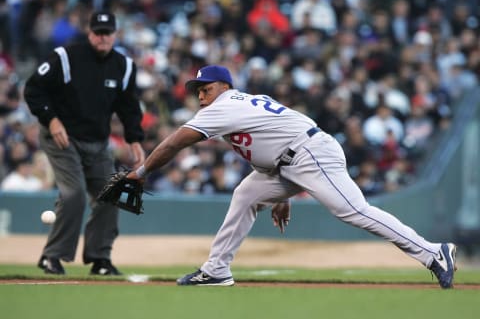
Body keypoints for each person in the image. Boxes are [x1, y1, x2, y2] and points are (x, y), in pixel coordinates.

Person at [126, 65, 456, 288]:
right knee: (246, 195)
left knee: (352, 210)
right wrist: (281, 193)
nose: (200, 95)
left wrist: (141, 171)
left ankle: (432, 252)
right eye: (197, 90)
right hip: (292, 160)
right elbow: (268, 140)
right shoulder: (245, 103)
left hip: (310, 153)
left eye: (206, 88)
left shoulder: (223, 106)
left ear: (225, 87)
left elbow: (174, 142)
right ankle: (215, 270)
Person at [23, 11, 145, 275]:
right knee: (73, 193)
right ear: (90, 33)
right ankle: (51, 257)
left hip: (97, 142)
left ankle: (100, 259)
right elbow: (33, 89)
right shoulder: (66, 58)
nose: (102, 38)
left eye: (107, 33)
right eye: (98, 32)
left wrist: (134, 137)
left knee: (111, 194)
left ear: (115, 34)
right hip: (61, 136)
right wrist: (51, 119)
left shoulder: (124, 66)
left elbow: (129, 106)